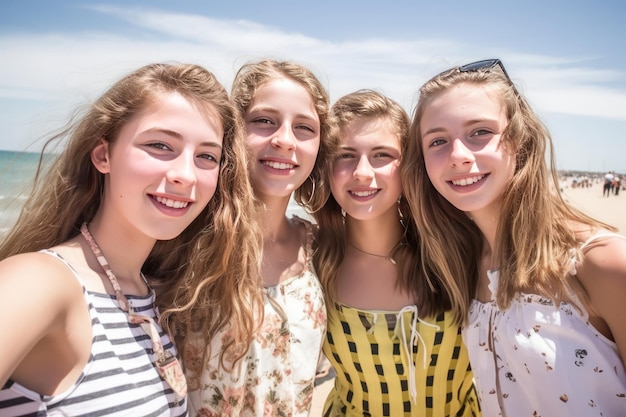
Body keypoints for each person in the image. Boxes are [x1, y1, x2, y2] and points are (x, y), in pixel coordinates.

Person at [0, 62, 250, 415]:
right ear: (104, 155)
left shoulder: (150, 295)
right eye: (161, 145)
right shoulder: (41, 282)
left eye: (207, 156)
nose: (185, 174)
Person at [405, 58, 626, 416]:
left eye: (480, 132)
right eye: (438, 141)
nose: (459, 156)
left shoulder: (599, 263)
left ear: (519, 140)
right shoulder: (462, 265)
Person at [313, 89, 480, 416]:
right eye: (346, 155)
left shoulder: (460, 250)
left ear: (409, 166)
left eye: (382, 155)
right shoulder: (311, 261)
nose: (362, 171)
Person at [184, 59, 335, 416]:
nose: (284, 140)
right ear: (234, 129)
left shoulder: (318, 247)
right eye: (264, 121)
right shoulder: (187, 240)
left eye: (304, 127)